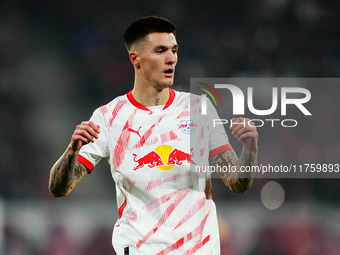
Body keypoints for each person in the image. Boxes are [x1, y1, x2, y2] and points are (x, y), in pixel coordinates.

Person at [49, 16, 258, 254]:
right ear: (135, 58)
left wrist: (249, 149)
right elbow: (59, 188)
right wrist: (72, 151)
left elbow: (237, 184)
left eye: (174, 50)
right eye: (160, 51)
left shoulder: (199, 109)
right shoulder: (108, 117)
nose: (171, 59)